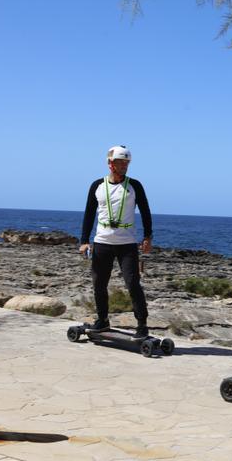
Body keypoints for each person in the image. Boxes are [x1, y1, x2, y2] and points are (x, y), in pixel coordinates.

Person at [79, 145, 153, 339]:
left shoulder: (134, 185)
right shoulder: (97, 185)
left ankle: (142, 324)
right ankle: (102, 320)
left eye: (126, 163)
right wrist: (84, 241)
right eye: (120, 162)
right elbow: (88, 214)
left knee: (132, 283)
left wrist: (147, 237)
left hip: (127, 243)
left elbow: (145, 211)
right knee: (99, 284)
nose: (124, 166)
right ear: (110, 164)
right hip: (102, 242)